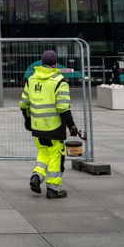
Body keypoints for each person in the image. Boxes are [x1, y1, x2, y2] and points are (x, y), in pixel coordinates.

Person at [19, 49, 79, 199]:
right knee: (56, 156)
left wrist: (28, 120)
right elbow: (63, 108)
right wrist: (71, 126)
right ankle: (53, 189)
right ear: (55, 64)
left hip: (37, 126)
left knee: (43, 152)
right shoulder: (59, 81)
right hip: (54, 126)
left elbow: (24, 104)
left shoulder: (31, 79)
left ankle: (36, 177)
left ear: (42, 63)